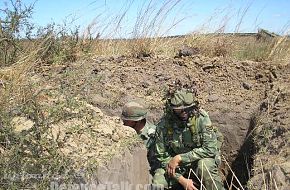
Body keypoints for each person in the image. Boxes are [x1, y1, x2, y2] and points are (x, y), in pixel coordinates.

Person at [152, 88, 224, 190]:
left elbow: (210, 149)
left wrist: (180, 157)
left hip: (199, 161)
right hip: (175, 166)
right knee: (158, 183)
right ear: (171, 108)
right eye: (179, 109)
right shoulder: (164, 125)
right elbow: (162, 156)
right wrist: (181, 180)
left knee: (204, 166)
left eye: (187, 108)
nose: (184, 112)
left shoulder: (201, 118)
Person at [121, 100, 159, 175]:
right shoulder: (124, 130)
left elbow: (156, 162)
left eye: (127, 120)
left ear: (137, 121)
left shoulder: (153, 135)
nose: (123, 122)